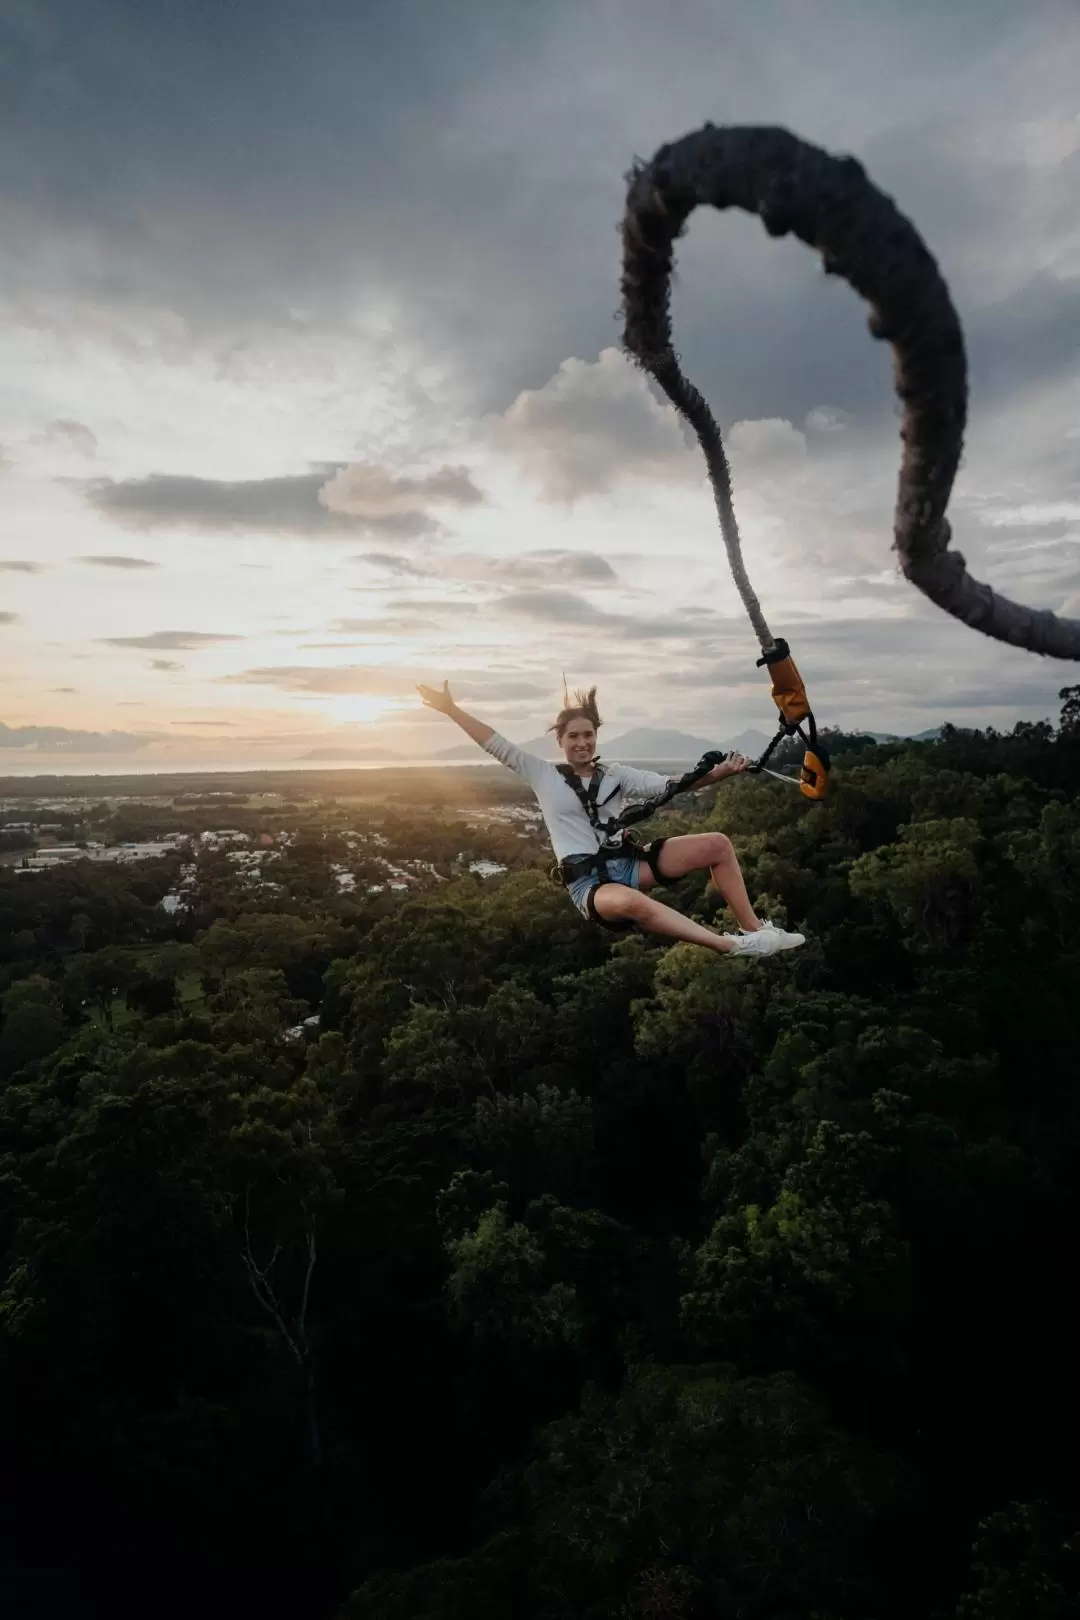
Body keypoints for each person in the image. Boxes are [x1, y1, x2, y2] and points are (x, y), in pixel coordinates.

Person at [417, 679, 804, 958]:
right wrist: (452, 710)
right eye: (573, 737)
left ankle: (755, 931)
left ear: (596, 736)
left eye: (588, 734)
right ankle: (733, 947)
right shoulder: (542, 774)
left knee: (717, 844)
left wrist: (720, 773)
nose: (582, 742)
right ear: (561, 741)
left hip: (628, 864)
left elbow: (668, 786)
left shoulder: (615, 775)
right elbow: (494, 742)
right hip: (589, 885)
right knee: (634, 904)